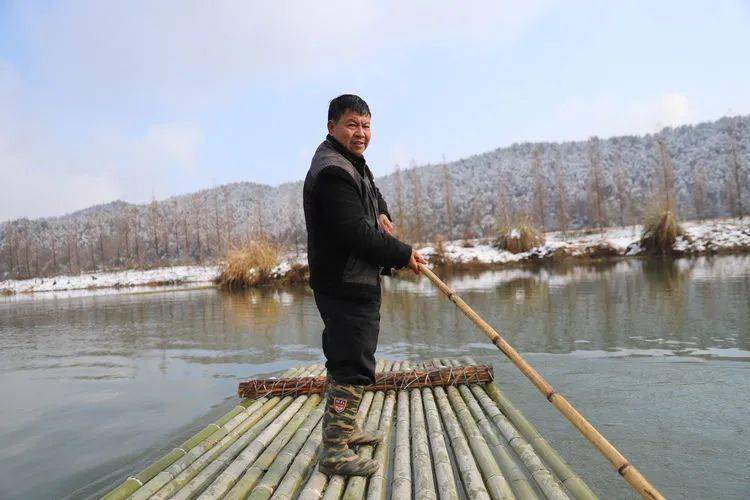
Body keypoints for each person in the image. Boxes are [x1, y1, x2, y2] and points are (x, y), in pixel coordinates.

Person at [303, 94, 426, 476]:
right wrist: (402, 253)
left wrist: (384, 212)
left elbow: (371, 192)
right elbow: (355, 233)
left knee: (346, 357)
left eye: (366, 125)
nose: (361, 133)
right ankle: (335, 452)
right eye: (352, 125)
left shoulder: (350, 162)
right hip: (344, 283)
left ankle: (345, 429)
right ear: (332, 128)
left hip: (350, 279)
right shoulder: (332, 172)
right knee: (352, 364)